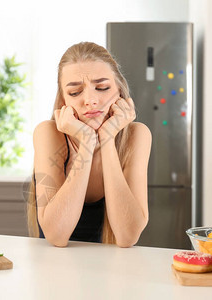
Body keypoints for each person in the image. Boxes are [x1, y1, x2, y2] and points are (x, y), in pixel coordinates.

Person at [27, 42, 151, 247]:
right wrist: (86, 142)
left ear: (119, 90)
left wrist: (108, 139)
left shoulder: (137, 135)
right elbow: (57, 236)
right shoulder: (48, 133)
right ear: (63, 102)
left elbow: (127, 237)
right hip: (54, 269)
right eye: (75, 92)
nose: (90, 100)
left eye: (102, 88)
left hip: (114, 270)